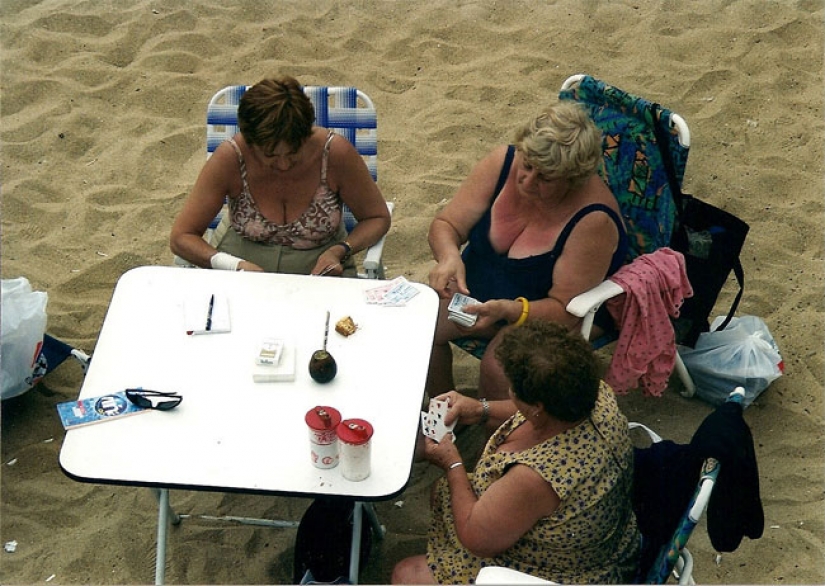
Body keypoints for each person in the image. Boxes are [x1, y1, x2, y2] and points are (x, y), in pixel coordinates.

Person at [392, 321, 640, 585]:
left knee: (406, 574)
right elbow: (537, 412)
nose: (510, 392)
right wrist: (480, 409)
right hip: (601, 536)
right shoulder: (594, 395)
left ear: (536, 407)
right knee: (442, 493)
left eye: (514, 390)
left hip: (561, 572)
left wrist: (452, 462)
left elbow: (476, 539)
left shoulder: (537, 477)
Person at [426, 100, 628, 400]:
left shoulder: (593, 220)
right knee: (420, 326)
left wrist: (507, 311)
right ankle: (445, 417)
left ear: (573, 179)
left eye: (546, 177)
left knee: (500, 367)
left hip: (549, 313)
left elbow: (565, 311)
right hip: (485, 291)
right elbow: (447, 224)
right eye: (528, 164)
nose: (528, 180)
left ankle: (493, 439)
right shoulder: (503, 162)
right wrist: (450, 256)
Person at [170, 75, 391, 276]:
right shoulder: (231, 158)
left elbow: (376, 217)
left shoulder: (334, 154)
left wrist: (340, 249)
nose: (284, 164)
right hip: (241, 264)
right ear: (250, 142)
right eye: (270, 155)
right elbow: (182, 237)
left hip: (318, 271)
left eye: (294, 153)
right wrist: (233, 266)